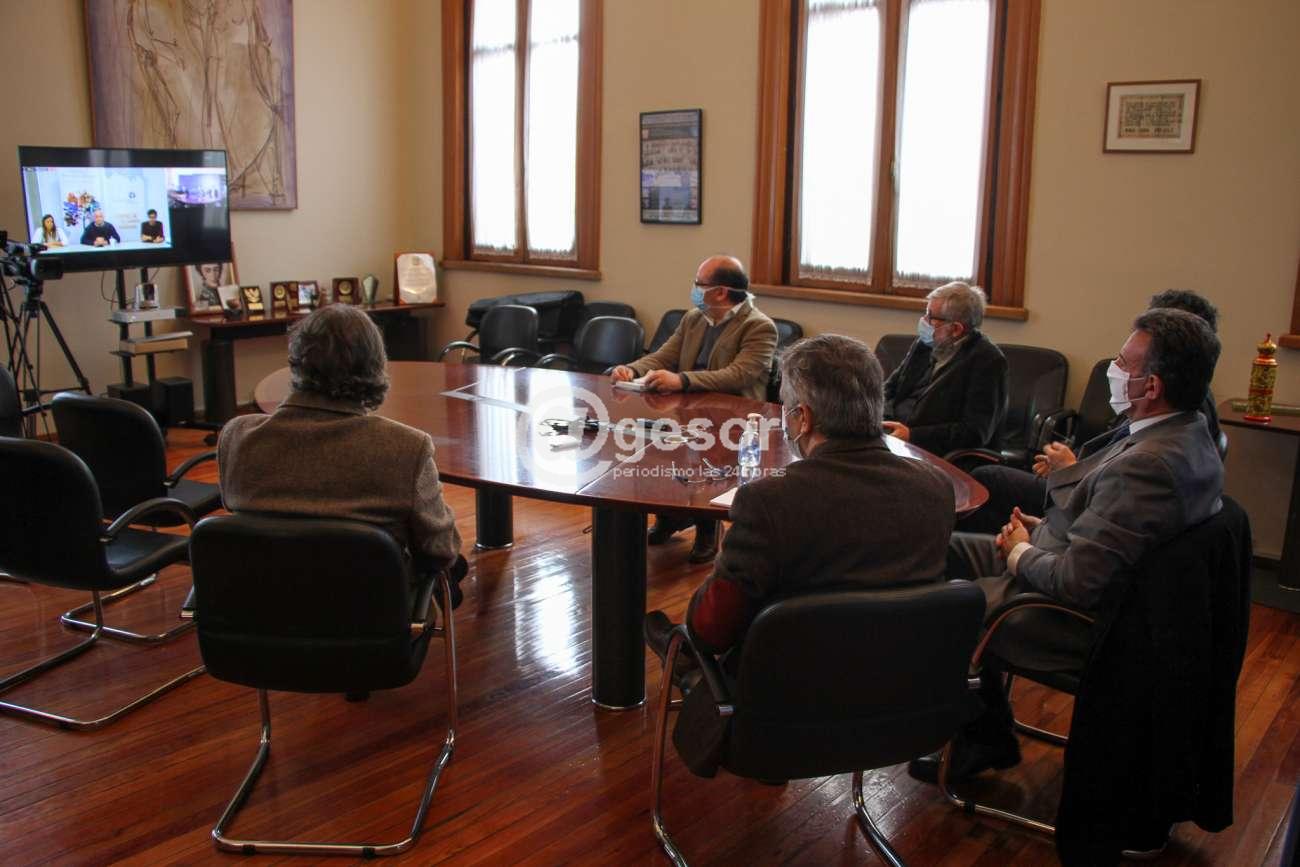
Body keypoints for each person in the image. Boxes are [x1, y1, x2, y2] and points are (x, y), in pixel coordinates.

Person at [909, 309, 1224, 848]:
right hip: (1069, 565)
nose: (1113, 370)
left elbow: (1078, 583)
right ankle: (983, 728)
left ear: (1152, 386)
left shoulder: (1150, 463)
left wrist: (1020, 552)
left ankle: (976, 728)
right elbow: (1112, 533)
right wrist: (1041, 529)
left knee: (936, 603)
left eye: (1123, 362)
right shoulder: (1187, 432)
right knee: (933, 552)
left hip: (1068, 616)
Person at [642, 334, 956, 776]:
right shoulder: (936, 488)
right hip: (904, 707)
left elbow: (710, 630)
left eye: (786, 408)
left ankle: (684, 666)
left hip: (783, 713)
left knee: (683, 634)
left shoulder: (770, 502)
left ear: (802, 418)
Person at [218, 305, 468, 607]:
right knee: (450, 567)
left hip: (259, 609)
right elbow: (441, 549)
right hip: (367, 615)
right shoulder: (405, 447)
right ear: (375, 365)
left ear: (296, 361)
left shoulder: (237, 436)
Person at [961, 289, 1223, 534]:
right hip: (1081, 484)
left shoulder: (1172, 427)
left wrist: (1070, 470)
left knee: (987, 479)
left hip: (1082, 498)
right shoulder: (1172, 410)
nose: (1116, 367)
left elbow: (1112, 500)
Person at [611, 254, 778, 562]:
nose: (694, 289)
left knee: (709, 461)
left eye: (699, 284)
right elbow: (664, 356)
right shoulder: (693, 318)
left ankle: (708, 528)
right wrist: (632, 370)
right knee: (660, 452)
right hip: (687, 408)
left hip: (734, 418)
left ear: (721, 292)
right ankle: (671, 517)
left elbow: (739, 374)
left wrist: (682, 380)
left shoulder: (759, 326)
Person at [882, 281, 1008, 455]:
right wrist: (884, 420)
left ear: (955, 329)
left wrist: (912, 435)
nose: (924, 321)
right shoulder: (924, 344)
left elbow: (975, 432)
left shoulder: (988, 361)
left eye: (930, 316)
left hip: (933, 451)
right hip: (895, 438)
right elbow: (889, 389)